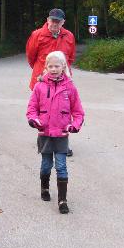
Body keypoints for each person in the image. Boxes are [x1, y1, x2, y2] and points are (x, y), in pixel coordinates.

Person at [26, 51, 85, 214]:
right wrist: (34, 120)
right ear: (46, 67)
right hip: (44, 133)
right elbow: (32, 109)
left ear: (63, 67)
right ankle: (44, 188)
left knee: (61, 166)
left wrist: (75, 125)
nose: (53, 69)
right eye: (50, 66)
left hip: (61, 135)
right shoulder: (39, 86)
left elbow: (78, 112)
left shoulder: (70, 87)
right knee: (46, 165)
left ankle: (62, 200)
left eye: (57, 66)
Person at [26, 8, 77, 156]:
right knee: (44, 111)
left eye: (58, 22)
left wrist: (62, 71)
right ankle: (43, 141)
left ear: (63, 22)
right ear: (48, 20)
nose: (54, 24)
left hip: (62, 82)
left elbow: (70, 57)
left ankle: (63, 144)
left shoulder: (69, 36)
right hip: (42, 80)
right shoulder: (37, 35)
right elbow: (31, 57)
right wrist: (42, 72)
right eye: (52, 20)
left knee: (63, 111)